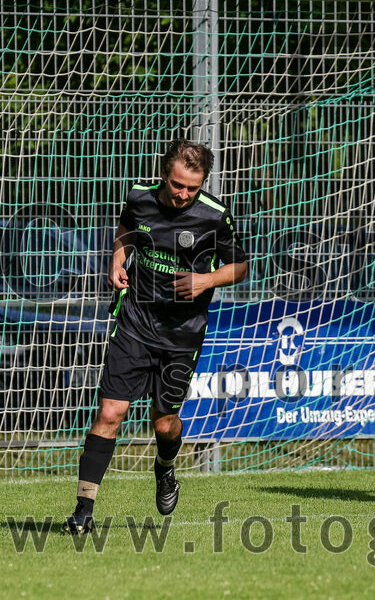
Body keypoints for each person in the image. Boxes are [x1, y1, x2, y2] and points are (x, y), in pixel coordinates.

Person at [64, 140, 249, 534]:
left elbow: (240, 266)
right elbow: (126, 229)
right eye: (178, 184)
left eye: (192, 188)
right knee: (110, 413)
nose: (183, 194)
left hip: (182, 336)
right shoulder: (139, 198)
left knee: (164, 424)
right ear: (165, 172)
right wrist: (118, 257)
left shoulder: (214, 216)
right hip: (134, 323)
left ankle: (165, 470)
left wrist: (207, 279)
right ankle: (83, 511)